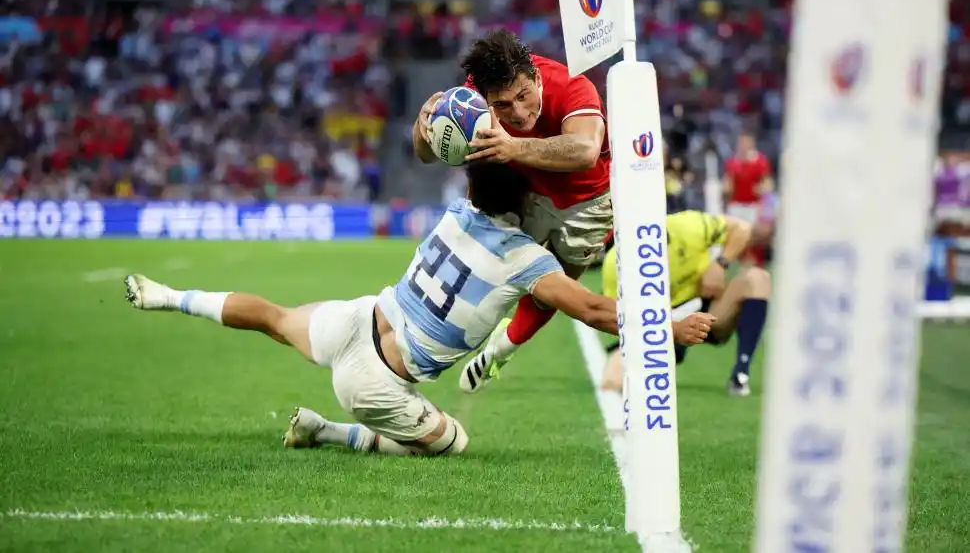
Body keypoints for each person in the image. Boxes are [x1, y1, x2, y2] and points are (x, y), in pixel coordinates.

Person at [124, 162, 714, 456]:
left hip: (359, 318)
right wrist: (671, 325)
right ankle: (326, 432)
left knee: (274, 317)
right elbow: (593, 310)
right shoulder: (527, 261)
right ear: (528, 200)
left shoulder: (457, 211)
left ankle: (169, 296)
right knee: (452, 441)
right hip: (376, 383)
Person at [411, 29, 612, 360]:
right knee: (501, 275)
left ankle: (505, 347)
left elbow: (586, 150)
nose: (518, 113)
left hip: (587, 202)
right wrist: (423, 129)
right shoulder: (472, 96)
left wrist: (514, 145)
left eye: (523, 96)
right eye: (502, 104)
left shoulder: (572, 86)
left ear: (534, 76)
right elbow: (425, 155)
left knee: (554, 293)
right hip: (528, 192)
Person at [600, 210, 771, 397]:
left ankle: (741, 372)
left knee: (757, 278)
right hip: (658, 326)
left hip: (706, 310)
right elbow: (618, 317)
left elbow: (742, 229)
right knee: (611, 381)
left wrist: (720, 264)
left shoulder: (688, 226)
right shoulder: (615, 263)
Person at [723, 132, 773, 266]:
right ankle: (740, 261)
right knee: (738, 235)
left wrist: (764, 195)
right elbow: (728, 183)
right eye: (741, 143)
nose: (743, 146)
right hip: (737, 205)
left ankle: (756, 262)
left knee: (753, 235)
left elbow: (767, 183)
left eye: (745, 143)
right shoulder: (732, 163)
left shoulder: (760, 161)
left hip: (753, 205)